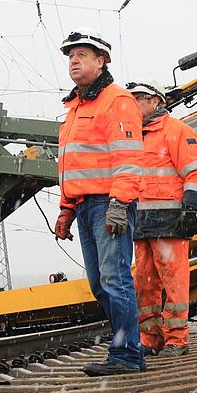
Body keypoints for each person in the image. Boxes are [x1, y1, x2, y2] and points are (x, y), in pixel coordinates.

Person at [53, 28, 146, 375]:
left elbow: (128, 157)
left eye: (82, 55)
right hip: (84, 206)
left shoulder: (116, 101)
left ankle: (127, 355)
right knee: (99, 284)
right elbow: (71, 165)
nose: (74, 61)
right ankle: (126, 347)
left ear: (102, 60)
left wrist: (120, 202)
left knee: (115, 279)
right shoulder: (75, 107)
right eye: (70, 56)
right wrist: (66, 209)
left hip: (109, 203)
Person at [126, 78, 197, 356]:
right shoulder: (131, 136)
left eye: (139, 98)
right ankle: (151, 338)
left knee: (174, 282)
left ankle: (177, 339)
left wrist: (190, 208)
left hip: (170, 220)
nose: (133, 103)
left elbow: (194, 172)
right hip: (141, 221)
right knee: (144, 284)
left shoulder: (177, 131)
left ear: (155, 101)